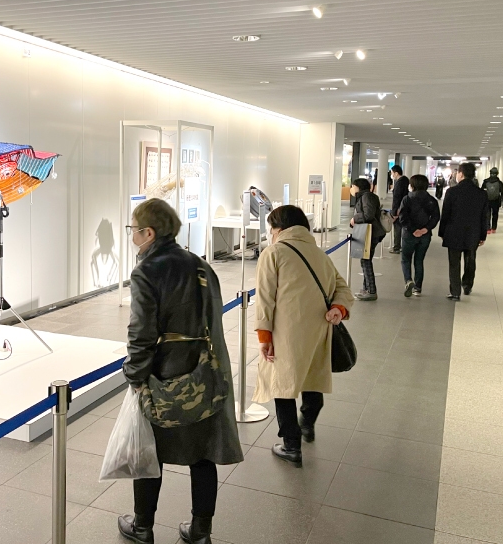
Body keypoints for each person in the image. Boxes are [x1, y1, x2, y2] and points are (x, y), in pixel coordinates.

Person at [119, 199, 243, 544]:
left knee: (150, 452)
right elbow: (214, 319)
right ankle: (200, 531)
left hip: (163, 374)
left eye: (133, 230)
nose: (132, 236)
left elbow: (141, 332)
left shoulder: (147, 271)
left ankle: (143, 527)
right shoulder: (200, 265)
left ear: (148, 233)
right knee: (202, 455)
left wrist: (135, 375)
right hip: (203, 373)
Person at [252, 205, 354, 464]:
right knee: (312, 376)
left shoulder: (273, 253)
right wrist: (338, 308)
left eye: (272, 229)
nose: (271, 234)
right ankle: (307, 423)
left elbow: (264, 299)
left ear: (279, 228)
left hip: (286, 333)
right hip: (319, 330)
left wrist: (264, 337)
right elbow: (343, 289)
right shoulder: (319, 254)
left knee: (283, 384)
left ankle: (291, 445)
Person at [439, 163, 490, 301]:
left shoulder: (452, 192)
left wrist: (442, 232)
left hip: (454, 232)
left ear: (461, 174)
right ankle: (467, 285)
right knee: (470, 260)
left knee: (454, 262)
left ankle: (455, 292)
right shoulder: (481, 194)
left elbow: (445, 214)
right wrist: (483, 235)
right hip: (473, 233)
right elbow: (484, 216)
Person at [397, 175, 441, 297]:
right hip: (425, 236)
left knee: (406, 259)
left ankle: (408, 280)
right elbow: (436, 217)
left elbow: (402, 218)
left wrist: (413, 230)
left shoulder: (407, 199)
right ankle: (417, 288)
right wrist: (425, 229)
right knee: (419, 260)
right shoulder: (431, 200)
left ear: (412, 186)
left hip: (408, 235)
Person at [350, 178, 387, 301]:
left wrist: (355, 218)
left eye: (353, 186)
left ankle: (371, 291)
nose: (351, 189)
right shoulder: (365, 196)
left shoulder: (367, 197)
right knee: (365, 259)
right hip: (369, 232)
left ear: (358, 187)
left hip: (371, 233)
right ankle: (366, 288)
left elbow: (368, 215)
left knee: (365, 260)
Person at [389, 165, 410, 254]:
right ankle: (405, 246)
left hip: (399, 209)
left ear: (396, 173)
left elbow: (396, 198)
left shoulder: (399, 183)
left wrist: (394, 213)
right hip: (406, 207)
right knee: (405, 228)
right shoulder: (406, 180)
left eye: (392, 173)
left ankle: (396, 247)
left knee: (397, 228)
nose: (391, 175)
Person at [481, 167, 503, 233]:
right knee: (495, 214)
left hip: (487, 200)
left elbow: (481, 191)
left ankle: (488, 228)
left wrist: (481, 201)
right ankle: (494, 228)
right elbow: (502, 193)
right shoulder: (499, 183)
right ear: (497, 174)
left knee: (487, 214)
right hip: (496, 200)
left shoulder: (486, 181)